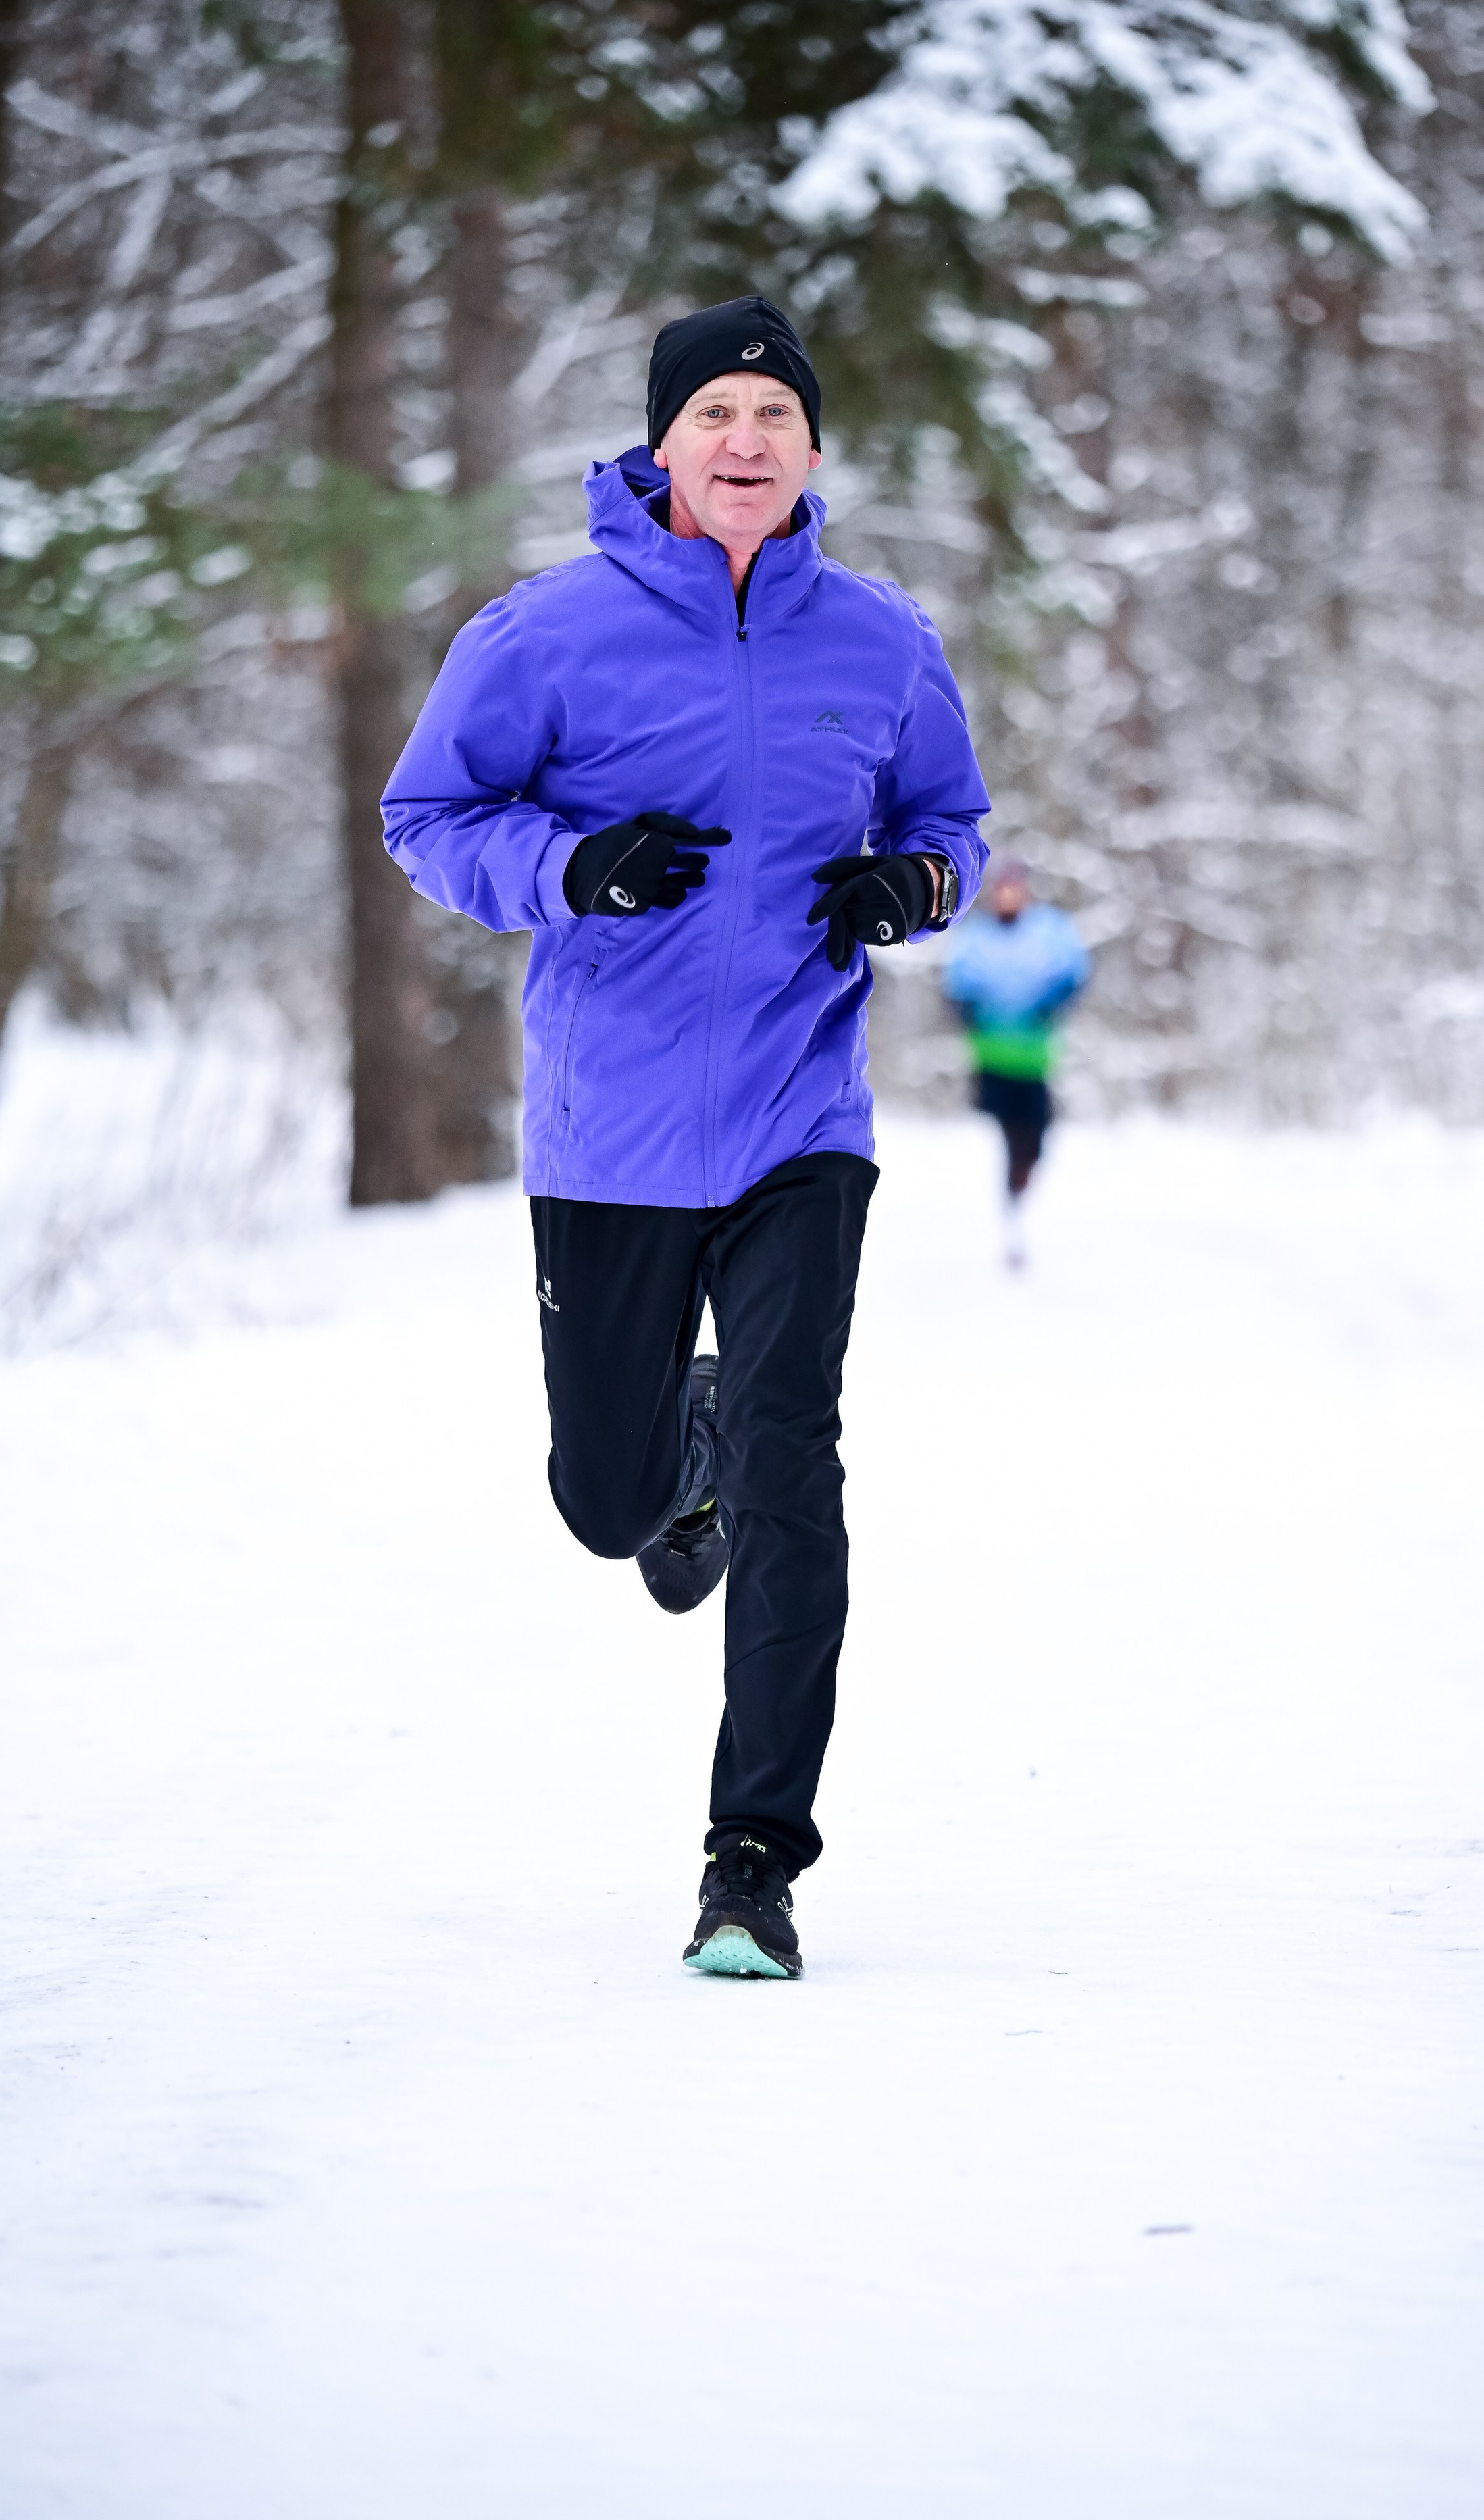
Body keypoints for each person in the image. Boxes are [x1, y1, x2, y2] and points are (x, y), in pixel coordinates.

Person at [381, 295, 989, 1980]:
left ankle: (751, 1860)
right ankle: (681, 1443)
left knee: (800, 1473)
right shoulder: (545, 631)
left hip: (804, 1111)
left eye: (772, 417)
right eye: (712, 412)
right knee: (605, 1500)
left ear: (810, 450)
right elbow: (427, 817)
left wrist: (911, 884)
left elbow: (945, 816)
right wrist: (568, 868)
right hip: (611, 1127)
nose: (742, 441)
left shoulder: (878, 637)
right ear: (661, 444)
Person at [942, 860, 1089, 1266]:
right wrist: (968, 1013)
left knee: (1037, 1139)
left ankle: (1019, 1194)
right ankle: (1010, 1217)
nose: (1008, 897)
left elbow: (1074, 974)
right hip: (992, 1058)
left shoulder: (1048, 929)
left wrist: (1052, 1005)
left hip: (1034, 1058)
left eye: (1015, 889)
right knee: (1010, 1137)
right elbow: (957, 986)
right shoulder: (977, 937)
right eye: (1002, 890)